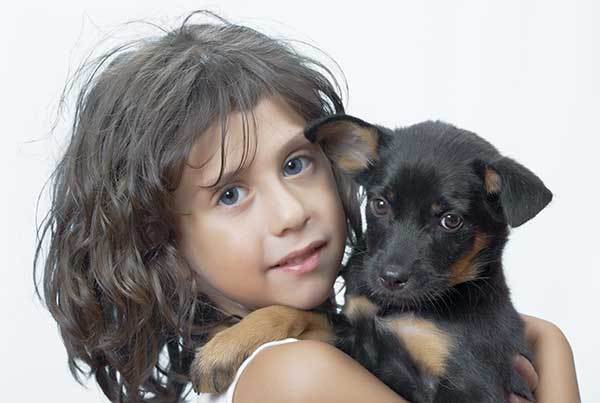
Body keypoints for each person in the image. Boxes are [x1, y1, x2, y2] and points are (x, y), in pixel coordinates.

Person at [34, 10, 580, 403]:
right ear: (158, 238)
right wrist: (553, 354)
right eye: (230, 194)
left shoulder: (280, 353)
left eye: (296, 164)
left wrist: (545, 339)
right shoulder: (295, 375)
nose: (291, 213)